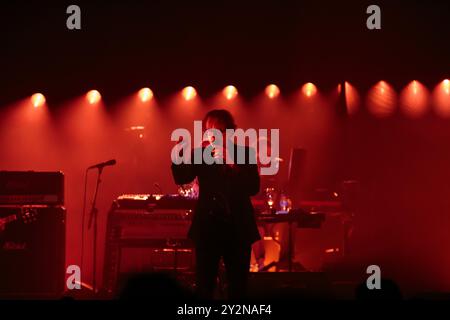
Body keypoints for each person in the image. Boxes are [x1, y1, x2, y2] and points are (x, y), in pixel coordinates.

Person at [171, 109, 260, 299]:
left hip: (237, 228)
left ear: (229, 132)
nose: (212, 135)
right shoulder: (201, 154)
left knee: (238, 286)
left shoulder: (245, 153)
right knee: (204, 285)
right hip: (208, 228)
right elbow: (181, 177)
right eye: (208, 130)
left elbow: (253, 187)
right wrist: (179, 154)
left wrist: (231, 164)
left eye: (218, 130)